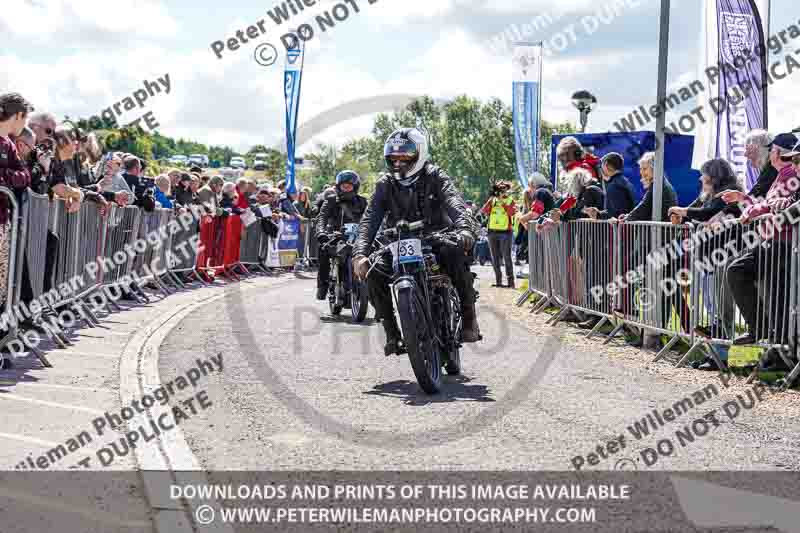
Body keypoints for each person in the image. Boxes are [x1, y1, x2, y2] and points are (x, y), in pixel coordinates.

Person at [352, 128, 480, 355]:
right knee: (372, 271)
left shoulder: (435, 175)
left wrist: (464, 229)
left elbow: (454, 202)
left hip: (436, 238)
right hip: (397, 242)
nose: (399, 162)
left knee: (456, 254)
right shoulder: (385, 184)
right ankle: (392, 332)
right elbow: (369, 220)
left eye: (405, 156)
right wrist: (360, 254)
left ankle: (469, 318)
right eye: (394, 157)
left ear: (419, 154)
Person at [725, 133, 799, 372]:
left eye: (796, 159)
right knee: (778, 298)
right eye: (793, 159)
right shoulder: (781, 175)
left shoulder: (787, 174)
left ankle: (762, 332)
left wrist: (765, 208)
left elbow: (786, 208)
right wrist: (749, 203)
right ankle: (776, 354)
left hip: (782, 242)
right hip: (775, 240)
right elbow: (771, 204)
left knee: (738, 271)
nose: (793, 163)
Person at [669, 159, 743, 370]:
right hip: (708, 260)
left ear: (714, 176)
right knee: (711, 311)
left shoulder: (727, 195)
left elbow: (707, 215)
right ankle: (714, 355)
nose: (701, 178)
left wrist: (683, 212)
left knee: (719, 311)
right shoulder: (709, 196)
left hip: (721, 258)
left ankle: (720, 357)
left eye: (704, 174)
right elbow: (699, 215)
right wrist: (683, 218)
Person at [316, 171, 368, 301]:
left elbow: (371, 218)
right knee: (323, 250)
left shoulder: (362, 202)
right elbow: (322, 217)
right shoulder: (331, 200)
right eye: (343, 186)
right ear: (338, 186)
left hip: (356, 238)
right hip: (334, 236)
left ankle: (376, 299)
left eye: (349, 186)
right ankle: (323, 285)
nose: (346, 189)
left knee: (374, 258)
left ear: (355, 187)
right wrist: (321, 232)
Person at [480, 180, 516, 288]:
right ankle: (499, 282)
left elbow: (511, 212)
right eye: (500, 190)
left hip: (505, 233)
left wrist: (503, 202)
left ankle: (510, 282)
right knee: (494, 258)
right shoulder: (493, 200)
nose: (501, 192)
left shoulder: (510, 200)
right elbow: (484, 211)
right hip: (492, 232)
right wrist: (491, 200)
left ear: (507, 190)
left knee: (507, 257)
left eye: (503, 189)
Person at [582, 152, 636, 221]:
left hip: (620, 230)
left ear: (607, 165)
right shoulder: (625, 182)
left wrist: (597, 214)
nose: (601, 169)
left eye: (602, 166)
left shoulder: (614, 185)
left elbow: (615, 214)